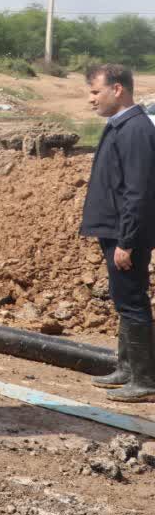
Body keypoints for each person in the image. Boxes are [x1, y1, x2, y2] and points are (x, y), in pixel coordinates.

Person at [80, 64, 155, 403]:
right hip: (115, 230)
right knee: (124, 299)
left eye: (96, 92)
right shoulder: (119, 126)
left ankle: (144, 380)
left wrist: (127, 240)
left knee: (133, 300)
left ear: (118, 89)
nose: (91, 99)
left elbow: (138, 192)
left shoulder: (135, 130)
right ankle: (127, 369)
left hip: (127, 235)